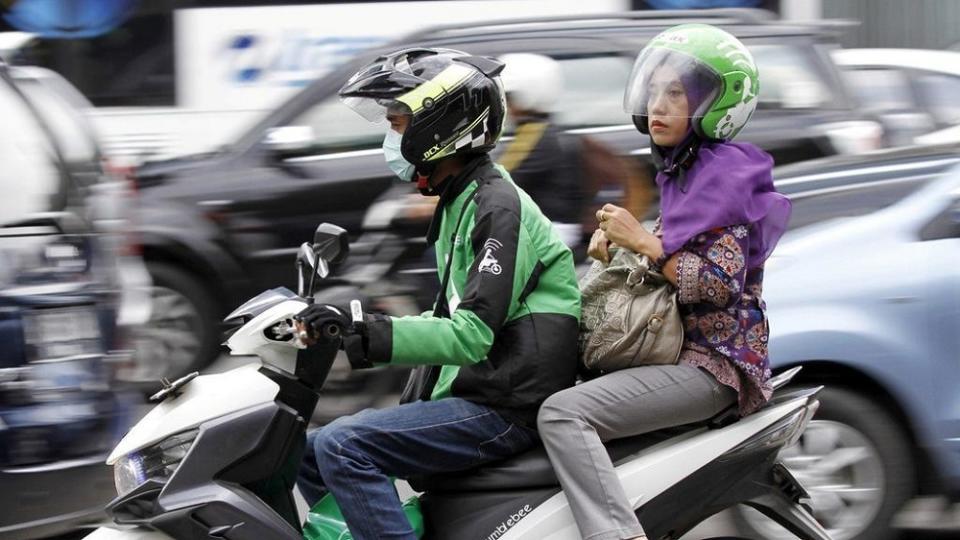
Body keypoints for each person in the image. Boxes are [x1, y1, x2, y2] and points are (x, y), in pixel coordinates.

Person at [295, 47, 581, 540]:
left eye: (399, 122)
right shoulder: (460, 199)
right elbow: (446, 310)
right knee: (297, 450)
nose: (390, 136)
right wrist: (346, 326)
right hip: (483, 389)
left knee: (343, 444)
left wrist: (364, 331)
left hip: (508, 405)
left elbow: (472, 335)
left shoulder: (498, 208)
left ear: (441, 125)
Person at [536, 24, 792, 540]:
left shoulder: (725, 177)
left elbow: (717, 283)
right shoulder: (687, 172)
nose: (659, 105)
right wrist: (616, 251)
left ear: (713, 102)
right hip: (676, 354)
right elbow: (665, 259)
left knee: (562, 414)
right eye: (653, 91)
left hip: (710, 365)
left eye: (676, 93)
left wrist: (645, 244)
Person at [497, 53, 584, 249]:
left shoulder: (534, 135)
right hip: (548, 225)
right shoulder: (544, 130)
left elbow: (498, 177)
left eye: (508, 97)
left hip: (551, 230)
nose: (505, 105)